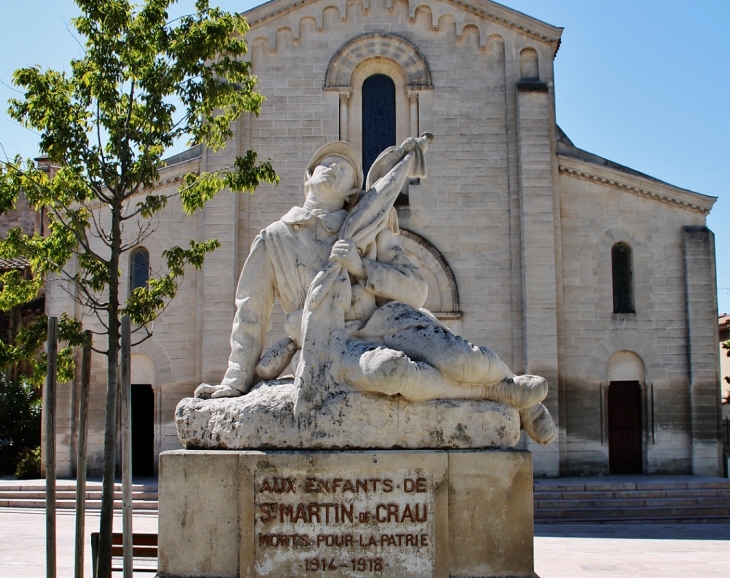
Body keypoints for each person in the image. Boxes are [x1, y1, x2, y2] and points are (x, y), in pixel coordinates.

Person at [195, 138, 554, 444]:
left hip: (389, 319)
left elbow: (416, 288)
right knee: (393, 371)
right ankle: (496, 392)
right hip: (333, 340)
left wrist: (363, 267)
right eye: (327, 162)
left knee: (466, 359)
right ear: (308, 177)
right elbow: (251, 314)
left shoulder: (370, 227)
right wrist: (235, 380)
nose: (334, 167)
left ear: (354, 190)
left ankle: (511, 387)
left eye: (346, 168)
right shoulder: (273, 239)